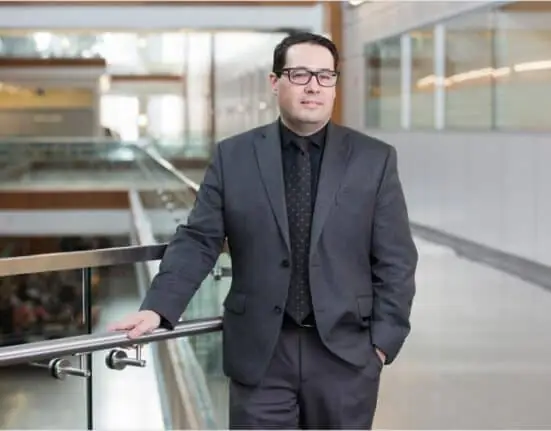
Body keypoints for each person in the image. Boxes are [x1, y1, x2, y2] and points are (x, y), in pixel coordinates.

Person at [108, 31, 418, 429]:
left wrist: (382, 343)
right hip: (260, 353)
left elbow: (395, 257)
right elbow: (200, 239)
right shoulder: (234, 155)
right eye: (300, 74)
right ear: (275, 81)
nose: (313, 86)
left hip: (346, 355)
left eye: (325, 76)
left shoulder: (373, 159)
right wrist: (158, 307)